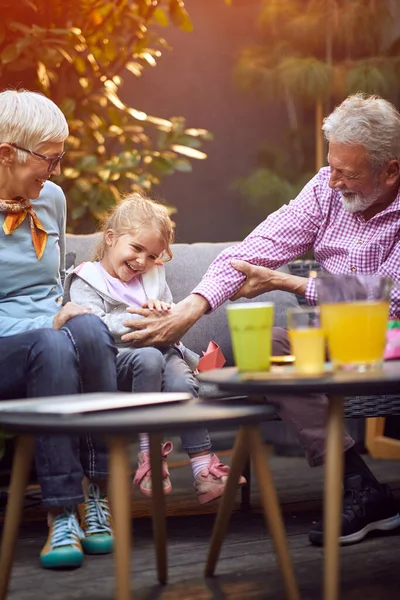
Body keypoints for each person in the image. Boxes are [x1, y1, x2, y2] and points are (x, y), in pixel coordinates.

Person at [120, 93, 400, 545]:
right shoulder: (323, 190)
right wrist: (190, 309)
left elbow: (390, 301)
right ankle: (361, 485)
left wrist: (289, 284)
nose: (333, 182)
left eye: (348, 173)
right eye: (331, 166)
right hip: (341, 333)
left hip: (393, 336)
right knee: (268, 347)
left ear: (391, 170)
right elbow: (252, 252)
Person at [0, 89, 119, 569]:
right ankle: (60, 509)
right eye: (48, 160)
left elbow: (51, 285)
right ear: (6, 153)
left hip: (46, 332)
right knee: (52, 342)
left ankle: (95, 494)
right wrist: (50, 321)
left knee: (90, 330)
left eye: (58, 158)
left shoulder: (51, 199)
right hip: (10, 344)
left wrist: (67, 310)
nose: (54, 171)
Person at [64, 194, 245, 504]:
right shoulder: (86, 279)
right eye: (136, 249)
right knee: (148, 358)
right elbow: (95, 327)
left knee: (180, 380)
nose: (141, 262)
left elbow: (172, 314)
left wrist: (164, 311)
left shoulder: (153, 274)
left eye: (151, 256)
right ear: (111, 238)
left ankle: (203, 470)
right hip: (118, 360)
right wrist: (145, 320)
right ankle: (150, 459)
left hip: (165, 351)